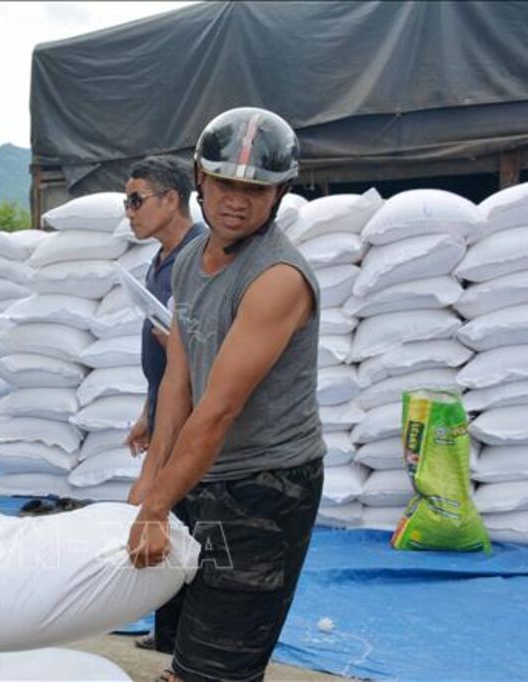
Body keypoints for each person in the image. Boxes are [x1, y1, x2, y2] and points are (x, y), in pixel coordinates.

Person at [126, 107, 325, 682]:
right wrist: (155, 477)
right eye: (225, 184)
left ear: (281, 193)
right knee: (184, 646)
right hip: (203, 474)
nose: (237, 200)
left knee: (218, 666)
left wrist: (159, 503)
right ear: (200, 180)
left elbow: (219, 407)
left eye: (256, 189)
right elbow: (178, 380)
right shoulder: (189, 258)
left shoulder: (277, 277)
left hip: (266, 487)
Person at [121, 156, 206, 654]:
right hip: (168, 409)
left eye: (136, 200)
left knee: (186, 525)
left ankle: (189, 641)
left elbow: (202, 348)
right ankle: (170, 632)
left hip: (195, 419)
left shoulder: (200, 257)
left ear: (171, 199)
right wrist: (150, 411)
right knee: (172, 523)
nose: (129, 212)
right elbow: (165, 354)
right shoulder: (161, 261)